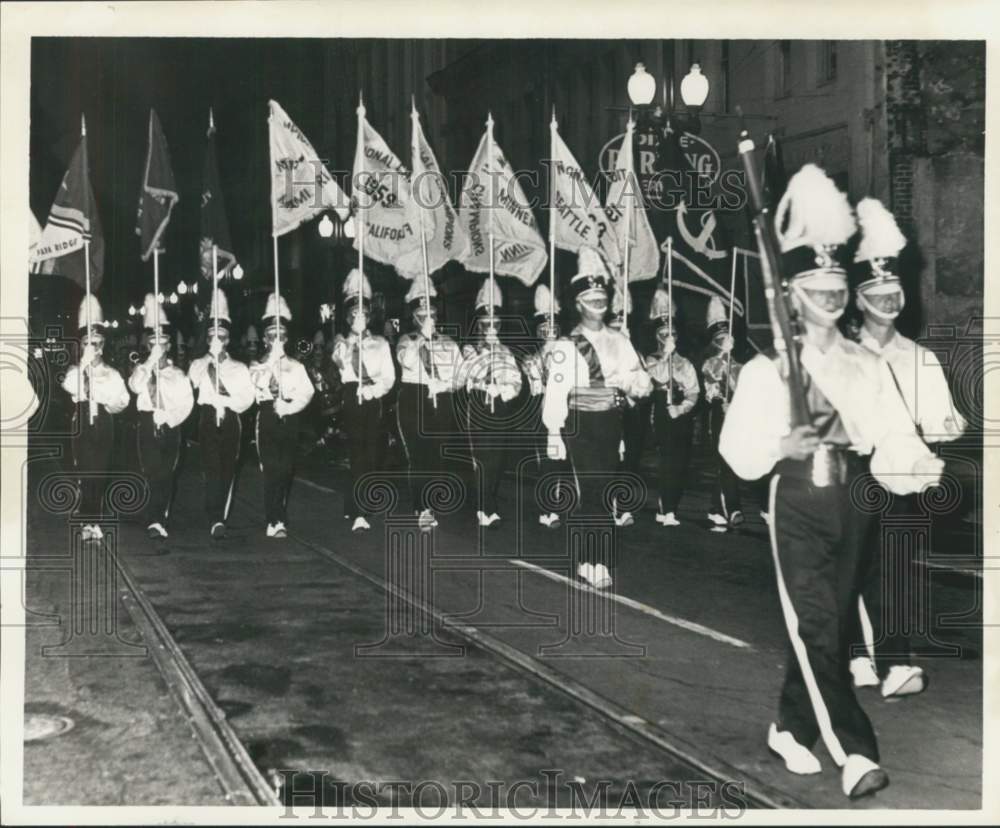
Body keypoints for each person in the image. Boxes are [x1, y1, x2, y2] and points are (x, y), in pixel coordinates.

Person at [719, 164, 943, 799]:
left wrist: (920, 468)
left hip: (859, 499)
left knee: (833, 625)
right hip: (796, 499)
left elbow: (892, 434)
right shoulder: (769, 371)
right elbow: (736, 451)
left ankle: (790, 727)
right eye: (819, 292)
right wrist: (779, 443)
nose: (833, 301)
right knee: (818, 624)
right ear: (791, 295)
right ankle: (855, 753)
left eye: (837, 290)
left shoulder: (863, 363)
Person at [847, 197, 967, 698]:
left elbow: (943, 422)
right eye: (878, 290)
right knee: (853, 565)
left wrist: (940, 430)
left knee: (896, 564)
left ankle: (895, 660)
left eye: (894, 291)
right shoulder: (843, 356)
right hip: (855, 471)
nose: (889, 299)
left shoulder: (918, 356)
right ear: (859, 298)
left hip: (905, 473)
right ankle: (855, 651)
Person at [543, 248, 652, 589]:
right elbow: (557, 391)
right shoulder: (565, 345)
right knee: (590, 492)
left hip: (609, 421)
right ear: (578, 303)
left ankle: (598, 559)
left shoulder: (620, 339)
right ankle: (587, 560)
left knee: (604, 493)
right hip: (578, 422)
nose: (598, 303)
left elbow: (639, 381)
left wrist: (636, 382)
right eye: (590, 298)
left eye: (602, 297)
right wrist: (554, 433)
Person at [396, 275, 463, 532]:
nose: (428, 319)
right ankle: (421, 507)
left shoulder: (448, 343)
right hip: (414, 397)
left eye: (432, 314)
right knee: (418, 454)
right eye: (422, 315)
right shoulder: (406, 341)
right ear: (414, 317)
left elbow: (461, 376)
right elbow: (407, 362)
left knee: (437, 455)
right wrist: (421, 339)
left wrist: (445, 385)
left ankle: (431, 502)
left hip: (441, 397)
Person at [61, 295, 130, 542]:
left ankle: (94, 520)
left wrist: (104, 400)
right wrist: (84, 364)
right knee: (84, 470)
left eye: (98, 344)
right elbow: (71, 386)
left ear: (104, 345)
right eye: (89, 343)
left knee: (99, 472)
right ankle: (84, 519)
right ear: (81, 346)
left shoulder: (111, 373)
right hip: (81, 420)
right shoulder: (75, 371)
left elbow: (122, 400)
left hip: (103, 422)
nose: (95, 349)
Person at [187, 287, 255, 539]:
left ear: (228, 339)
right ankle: (213, 515)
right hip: (206, 419)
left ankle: (219, 516)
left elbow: (247, 398)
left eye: (222, 337)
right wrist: (208, 358)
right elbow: (191, 382)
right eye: (213, 336)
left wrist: (226, 401)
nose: (218, 340)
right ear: (207, 339)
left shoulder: (238, 368)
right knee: (211, 467)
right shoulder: (198, 364)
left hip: (230, 419)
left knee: (227, 468)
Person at [331, 269, 396, 532]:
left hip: (372, 399)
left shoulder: (380, 343)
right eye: (354, 314)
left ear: (369, 316)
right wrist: (349, 342)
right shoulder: (341, 343)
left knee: (372, 453)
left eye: (363, 314)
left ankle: (354, 503)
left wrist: (373, 391)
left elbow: (389, 378)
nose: (359, 318)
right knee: (357, 452)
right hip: (351, 396)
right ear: (348, 317)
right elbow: (338, 363)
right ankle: (359, 511)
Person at [128, 293, 194, 540]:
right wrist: (148, 363)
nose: (158, 347)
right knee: (151, 470)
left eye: (162, 343)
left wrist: (169, 417)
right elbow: (135, 386)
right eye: (153, 342)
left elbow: (187, 403)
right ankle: (154, 517)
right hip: (147, 423)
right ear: (148, 345)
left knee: (167, 472)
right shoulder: (141, 370)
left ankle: (159, 516)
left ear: (168, 345)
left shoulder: (178, 374)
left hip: (169, 424)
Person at [248, 292, 315, 538]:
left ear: (286, 339)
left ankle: (280, 512)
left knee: (286, 468)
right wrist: (270, 364)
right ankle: (274, 518)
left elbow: (307, 392)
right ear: (265, 339)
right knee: (271, 468)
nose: (276, 340)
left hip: (289, 415)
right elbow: (257, 382)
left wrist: (289, 406)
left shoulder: (296, 366)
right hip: (267, 416)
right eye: (271, 336)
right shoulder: (257, 365)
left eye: (280, 336)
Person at [457, 278, 523, 527]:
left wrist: (505, 389)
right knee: (483, 458)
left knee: (498, 457)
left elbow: (516, 380)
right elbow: (467, 375)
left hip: (500, 404)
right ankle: (485, 507)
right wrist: (488, 355)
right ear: (480, 325)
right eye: (487, 324)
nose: (491, 328)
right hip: (480, 404)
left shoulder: (506, 351)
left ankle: (488, 499)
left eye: (495, 323)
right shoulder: (470, 350)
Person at [645, 287, 699, 527]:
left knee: (681, 462)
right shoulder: (651, 358)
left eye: (672, 334)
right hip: (661, 413)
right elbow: (655, 376)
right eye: (664, 333)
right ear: (657, 336)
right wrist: (665, 357)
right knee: (667, 461)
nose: (669, 338)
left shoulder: (686, 362)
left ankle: (671, 507)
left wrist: (684, 407)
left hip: (680, 415)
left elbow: (694, 390)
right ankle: (666, 509)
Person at [522, 284, 569, 528]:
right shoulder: (532, 359)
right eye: (544, 329)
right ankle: (548, 508)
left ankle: (563, 502)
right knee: (548, 460)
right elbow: (535, 388)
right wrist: (544, 365)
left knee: (565, 460)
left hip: (568, 412)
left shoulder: (570, 353)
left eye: (552, 328)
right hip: (543, 413)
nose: (549, 333)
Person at [701, 296, 744, 531]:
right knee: (724, 459)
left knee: (730, 460)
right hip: (718, 413)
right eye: (721, 339)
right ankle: (734, 508)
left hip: (735, 414)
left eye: (728, 337)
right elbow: (713, 377)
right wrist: (723, 359)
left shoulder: (739, 365)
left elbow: (742, 386)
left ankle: (715, 509)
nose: (727, 341)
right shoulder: (710, 362)